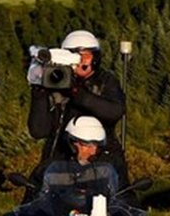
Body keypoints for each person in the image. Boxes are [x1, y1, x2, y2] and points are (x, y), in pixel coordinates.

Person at [27, 29, 129, 190]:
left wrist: (76, 92)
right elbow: (38, 130)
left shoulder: (106, 81)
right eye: (72, 56)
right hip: (60, 162)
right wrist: (38, 90)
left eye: (85, 55)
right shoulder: (55, 81)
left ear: (96, 58)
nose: (79, 60)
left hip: (101, 162)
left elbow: (114, 112)